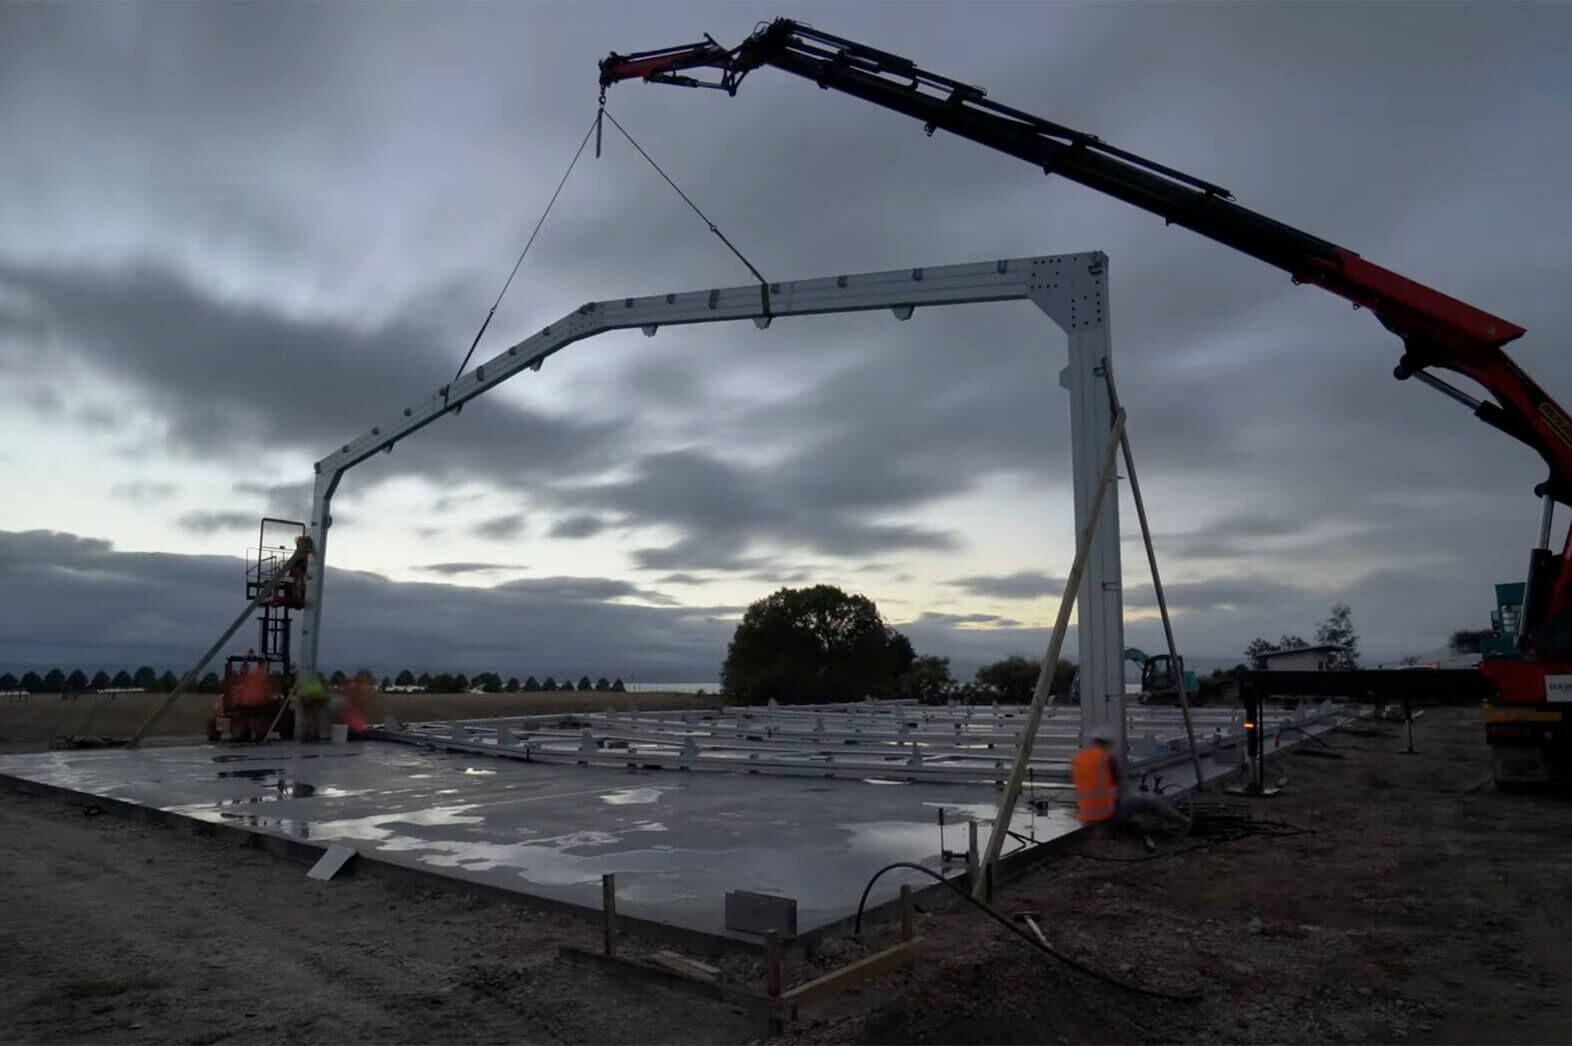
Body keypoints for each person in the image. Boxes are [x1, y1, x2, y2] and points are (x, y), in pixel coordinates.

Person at [1072, 725, 1190, 837]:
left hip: (1086, 812)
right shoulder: (1106, 757)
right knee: (1152, 799)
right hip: (1109, 810)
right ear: (1106, 743)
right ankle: (1184, 821)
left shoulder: (1079, 759)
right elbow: (1120, 784)